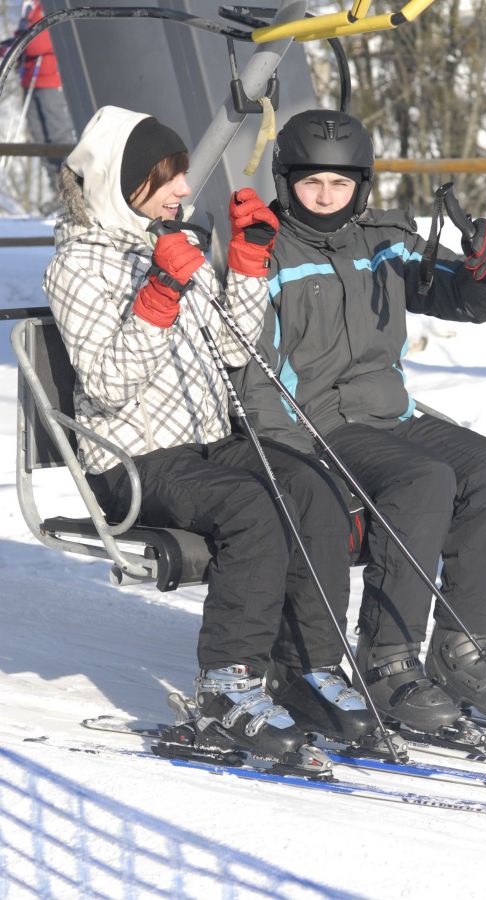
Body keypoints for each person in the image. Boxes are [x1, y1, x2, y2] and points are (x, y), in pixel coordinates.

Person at [43, 105, 376, 764]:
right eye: (165, 178)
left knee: (311, 487)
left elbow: (230, 347)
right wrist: (161, 291)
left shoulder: (166, 242)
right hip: (134, 462)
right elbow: (109, 384)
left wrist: (248, 264)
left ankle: (306, 666)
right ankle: (227, 687)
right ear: (121, 181)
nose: (183, 191)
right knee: (250, 508)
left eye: (181, 176)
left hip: (199, 444)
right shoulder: (76, 265)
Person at [235, 108, 486, 739]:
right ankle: (387, 658)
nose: (325, 196)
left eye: (340, 184)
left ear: (362, 186)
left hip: (389, 413)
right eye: (311, 182)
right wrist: (290, 457)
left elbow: (455, 293)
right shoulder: (264, 250)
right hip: (319, 425)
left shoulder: (384, 239)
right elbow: (253, 368)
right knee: (422, 479)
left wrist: (484, 274)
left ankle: (462, 649)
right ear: (285, 179)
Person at [7, 1, 75, 212]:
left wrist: (21, 44)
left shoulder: (50, 6)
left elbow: (44, 39)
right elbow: (25, 36)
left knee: (58, 135)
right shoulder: (29, 7)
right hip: (30, 81)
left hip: (50, 80)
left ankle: (71, 192)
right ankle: (56, 190)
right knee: (40, 137)